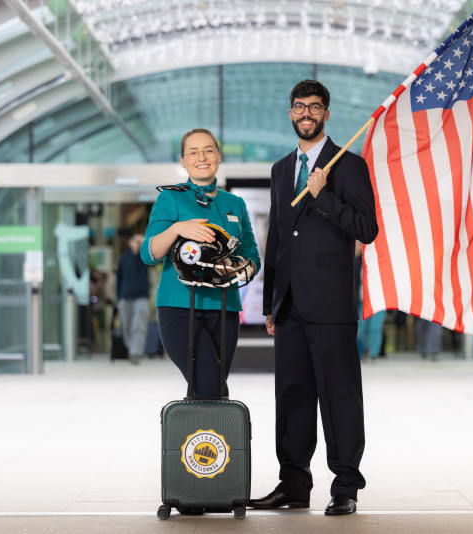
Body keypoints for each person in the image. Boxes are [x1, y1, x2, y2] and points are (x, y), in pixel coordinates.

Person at [252, 80, 378, 516]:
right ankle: (293, 484)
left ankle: (345, 485)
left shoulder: (349, 165)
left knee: (340, 397)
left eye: (315, 107)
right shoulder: (281, 169)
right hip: (289, 306)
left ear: (326, 113)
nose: (306, 113)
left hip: (331, 305)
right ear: (290, 112)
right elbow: (277, 240)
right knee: (292, 397)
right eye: (299, 106)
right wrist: (270, 303)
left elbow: (367, 229)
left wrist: (324, 195)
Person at [140, 128, 260, 398]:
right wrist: (177, 229)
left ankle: (199, 428)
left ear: (218, 155)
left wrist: (242, 268)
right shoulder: (170, 197)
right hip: (180, 307)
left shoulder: (235, 203)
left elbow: (252, 255)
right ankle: (212, 427)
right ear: (183, 161)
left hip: (226, 308)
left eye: (208, 150)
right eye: (193, 152)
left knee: (213, 389)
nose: (201, 157)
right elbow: (149, 253)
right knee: (210, 386)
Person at [116, 233, 149, 363]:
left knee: (138, 325)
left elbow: (155, 259)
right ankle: (131, 348)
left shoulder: (144, 257)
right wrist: (118, 297)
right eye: (135, 241)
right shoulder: (123, 258)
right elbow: (119, 279)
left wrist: (144, 243)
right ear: (130, 242)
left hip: (141, 296)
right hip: (125, 296)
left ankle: (136, 352)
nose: (137, 243)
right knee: (126, 325)